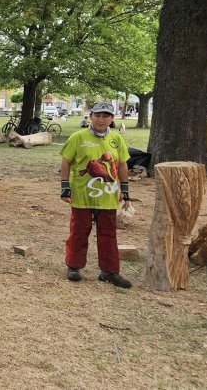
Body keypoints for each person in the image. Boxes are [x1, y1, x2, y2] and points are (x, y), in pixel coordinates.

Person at [60, 102, 132, 288]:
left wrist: (124, 189)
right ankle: (74, 267)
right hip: (82, 195)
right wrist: (65, 186)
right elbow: (66, 162)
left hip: (107, 197)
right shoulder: (78, 137)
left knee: (108, 234)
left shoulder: (117, 139)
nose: (101, 119)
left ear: (111, 118)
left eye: (106, 116)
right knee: (79, 232)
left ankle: (109, 271)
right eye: (98, 115)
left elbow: (122, 164)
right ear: (91, 116)